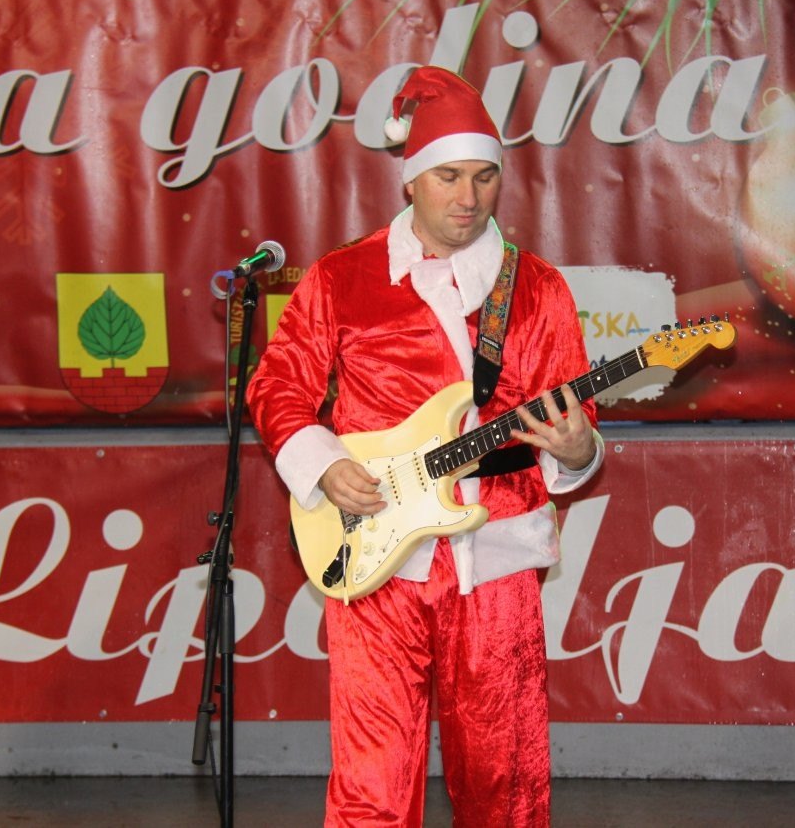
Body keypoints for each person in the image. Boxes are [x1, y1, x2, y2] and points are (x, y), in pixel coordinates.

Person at [246, 66, 604, 827]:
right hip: (376, 554)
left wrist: (578, 451)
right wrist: (323, 464)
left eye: (484, 177)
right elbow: (277, 385)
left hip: (499, 558)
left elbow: (575, 430)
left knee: (506, 781)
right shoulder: (341, 278)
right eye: (449, 177)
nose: (468, 197)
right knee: (372, 783)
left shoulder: (538, 289)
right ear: (411, 179)